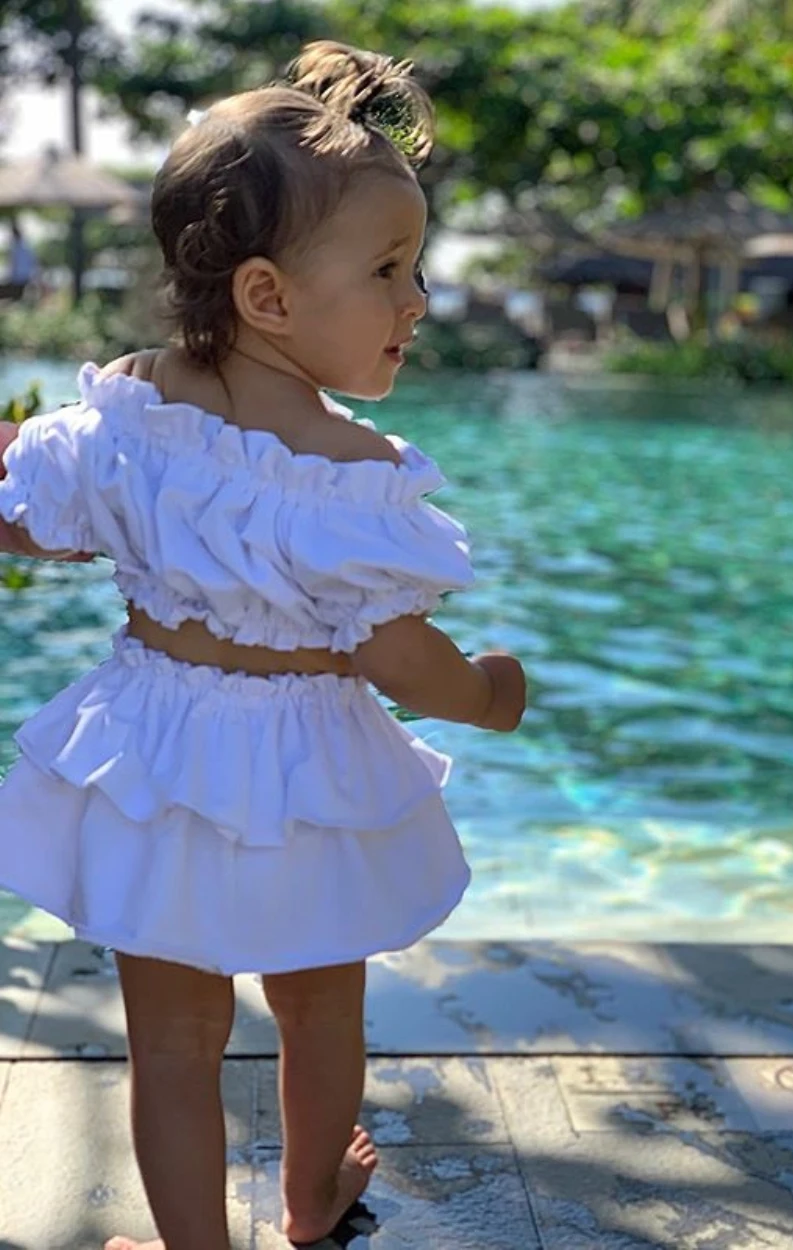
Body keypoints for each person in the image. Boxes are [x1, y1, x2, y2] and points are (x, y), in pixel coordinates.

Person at [0, 41, 526, 1250]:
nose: (416, 299)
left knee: (171, 1046)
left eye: (414, 266)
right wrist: (487, 694)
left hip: (152, 758)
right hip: (307, 772)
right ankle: (309, 1202)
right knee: (318, 1009)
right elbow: (396, 659)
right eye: (388, 269)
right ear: (268, 297)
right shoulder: (351, 474)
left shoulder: (124, 412)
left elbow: (30, 517)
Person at [7, 217, 38, 289]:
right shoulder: (27, 245)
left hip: (18, 278)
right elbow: (34, 261)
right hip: (26, 277)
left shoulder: (15, 247)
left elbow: (13, 263)